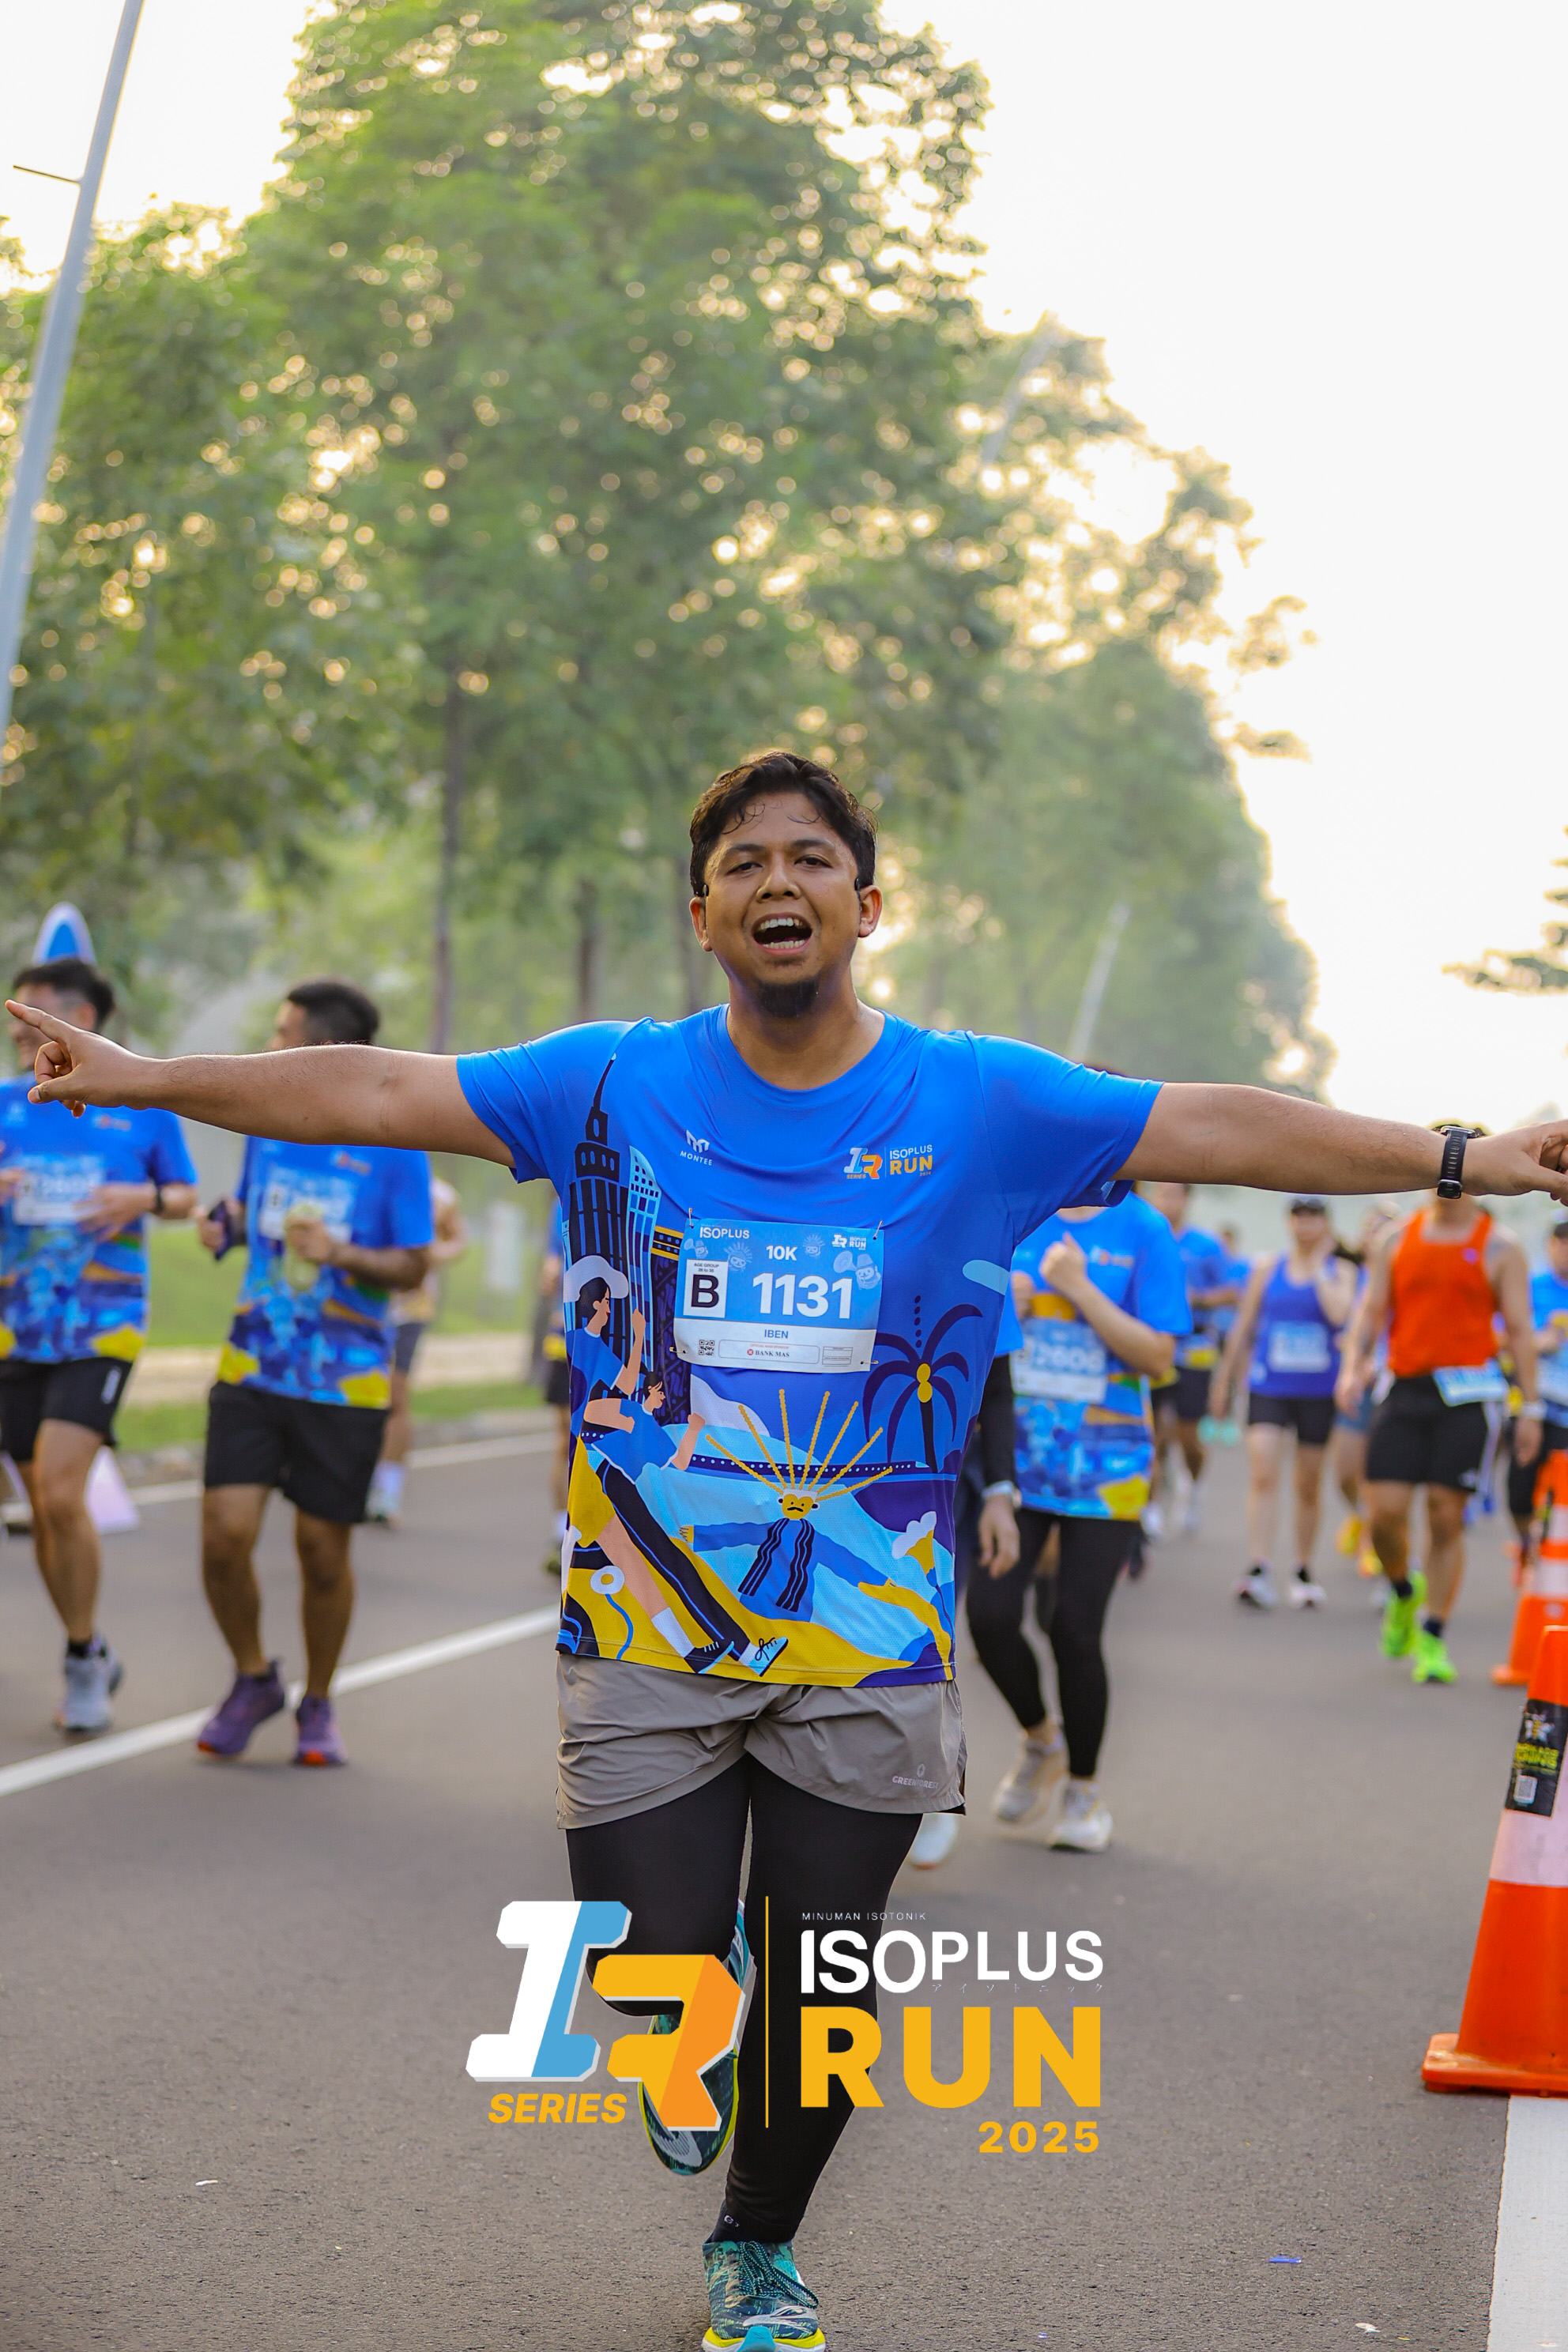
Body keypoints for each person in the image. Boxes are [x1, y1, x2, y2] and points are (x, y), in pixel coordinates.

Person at [13, 751, 1568, 2352]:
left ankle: (753, 2247)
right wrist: (143, 1080)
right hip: (642, 1628)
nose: (777, 880)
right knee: (650, 1984)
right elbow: (376, 1092)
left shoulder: (977, 1100)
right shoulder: (606, 1083)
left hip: (864, 1638)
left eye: (810, 857)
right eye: (742, 861)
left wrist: (1464, 1158)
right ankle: (683, 2029)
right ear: (701, 915)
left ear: (865, 904)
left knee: (822, 1989)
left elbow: (1220, 1124)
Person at [191, 980, 433, 1766]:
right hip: (252, 1365)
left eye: (280, 1032)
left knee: (322, 1554)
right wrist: (223, 1226)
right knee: (224, 1536)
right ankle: (253, 1678)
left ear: (320, 1048)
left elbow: (413, 1265)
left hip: (345, 1381)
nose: (268, 1045)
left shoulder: (395, 1143)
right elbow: (247, 1212)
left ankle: (319, 1701)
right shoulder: (265, 1126)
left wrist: (342, 1254)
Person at [0, 957, 197, 1733]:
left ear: (79, 1017)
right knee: (43, 1508)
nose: (19, 1027)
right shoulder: (6, 1104)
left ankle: (81, 1659)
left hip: (101, 1327)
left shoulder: (139, 1105)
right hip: (17, 1330)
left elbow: (185, 1197)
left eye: (33, 1012)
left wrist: (142, 1195)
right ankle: (89, 1644)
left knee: (58, 1493)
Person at [967, 1192, 1188, 1853]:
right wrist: (1007, 1306)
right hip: (1018, 1461)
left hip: (1107, 1466)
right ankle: (1042, 1738)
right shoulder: (1020, 1211)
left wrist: (1080, 1290)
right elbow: (969, 1325)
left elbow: (1158, 1357)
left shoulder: (1144, 1229)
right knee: (991, 1618)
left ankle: (1083, 1790)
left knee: (1073, 1627)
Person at [1337, 1133, 1542, 1685]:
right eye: (1441, 1162)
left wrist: (1530, 1408)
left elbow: (1520, 1331)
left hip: (1469, 1397)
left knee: (1446, 1517)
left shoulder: (1501, 1247)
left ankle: (1432, 1635)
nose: (1449, 1177)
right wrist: (1353, 1366)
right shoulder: (1396, 1239)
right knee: (1383, 1514)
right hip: (1405, 1388)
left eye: (1462, 1163)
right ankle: (1404, 1589)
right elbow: (1371, 1311)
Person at [905, 1289, 1021, 1870]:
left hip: (941, 1492)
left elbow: (996, 1387)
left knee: (925, 1641)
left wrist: (1000, 1493)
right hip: (826, 1479)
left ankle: (929, 1793)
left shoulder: (978, 1256)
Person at [1212, 1198, 1358, 1610]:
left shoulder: (1340, 1270)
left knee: (1307, 1483)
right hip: (1269, 1385)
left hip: (1317, 1390)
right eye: (1299, 1218)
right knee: (1263, 1471)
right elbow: (1243, 1326)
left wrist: (1320, 1268)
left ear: (1326, 1225)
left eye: (1314, 1218)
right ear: (1289, 1223)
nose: (1305, 1226)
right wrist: (1223, 1382)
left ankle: (1303, 1568)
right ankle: (1259, 1566)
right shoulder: (1266, 1268)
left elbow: (1340, 1314)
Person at [365, 1173, 468, 1526]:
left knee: (395, 1394)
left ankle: (388, 1490)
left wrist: (432, 1255)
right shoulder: (369, 1171)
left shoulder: (440, 1193)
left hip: (410, 1309)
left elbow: (458, 1240)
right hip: (363, 1302)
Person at [1142, 1182, 1238, 1537]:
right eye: (1161, 1193)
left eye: (1174, 1194)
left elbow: (1233, 1292)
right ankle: (1150, 1506)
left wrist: (1195, 1299)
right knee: (1155, 1432)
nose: (1167, 1201)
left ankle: (1194, 1486)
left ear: (1187, 1199)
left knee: (1188, 1436)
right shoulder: (1146, 1236)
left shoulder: (1206, 1245)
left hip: (1194, 1349)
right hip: (1153, 1344)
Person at [1331, 1200, 1400, 1575]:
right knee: (1345, 1472)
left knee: (1380, 1471)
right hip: (1356, 1382)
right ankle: (1361, 1515)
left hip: (1392, 1383)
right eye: (1372, 1228)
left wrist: (1380, 1361)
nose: (1378, 1235)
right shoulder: (1351, 1275)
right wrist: (1352, 1366)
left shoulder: (1405, 1274)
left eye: (1386, 1227)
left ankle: (1375, 1537)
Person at [1510, 1216, 1568, 1562]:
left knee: (1559, 1489)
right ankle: (1526, 1541)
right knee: (1519, 1490)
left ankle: (1547, 1550)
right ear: (1550, 1246)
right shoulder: (1531, 1285)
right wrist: (1537, 1342)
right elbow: (1503, 1335)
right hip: (1533, 1400)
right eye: (1563, 1242)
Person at [533, 1195, 571, 1574]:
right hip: (566, 1340)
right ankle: (562, 1536)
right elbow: (550, 1269)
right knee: (567, 1442)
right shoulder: (562, 1203)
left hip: (616, 1346)